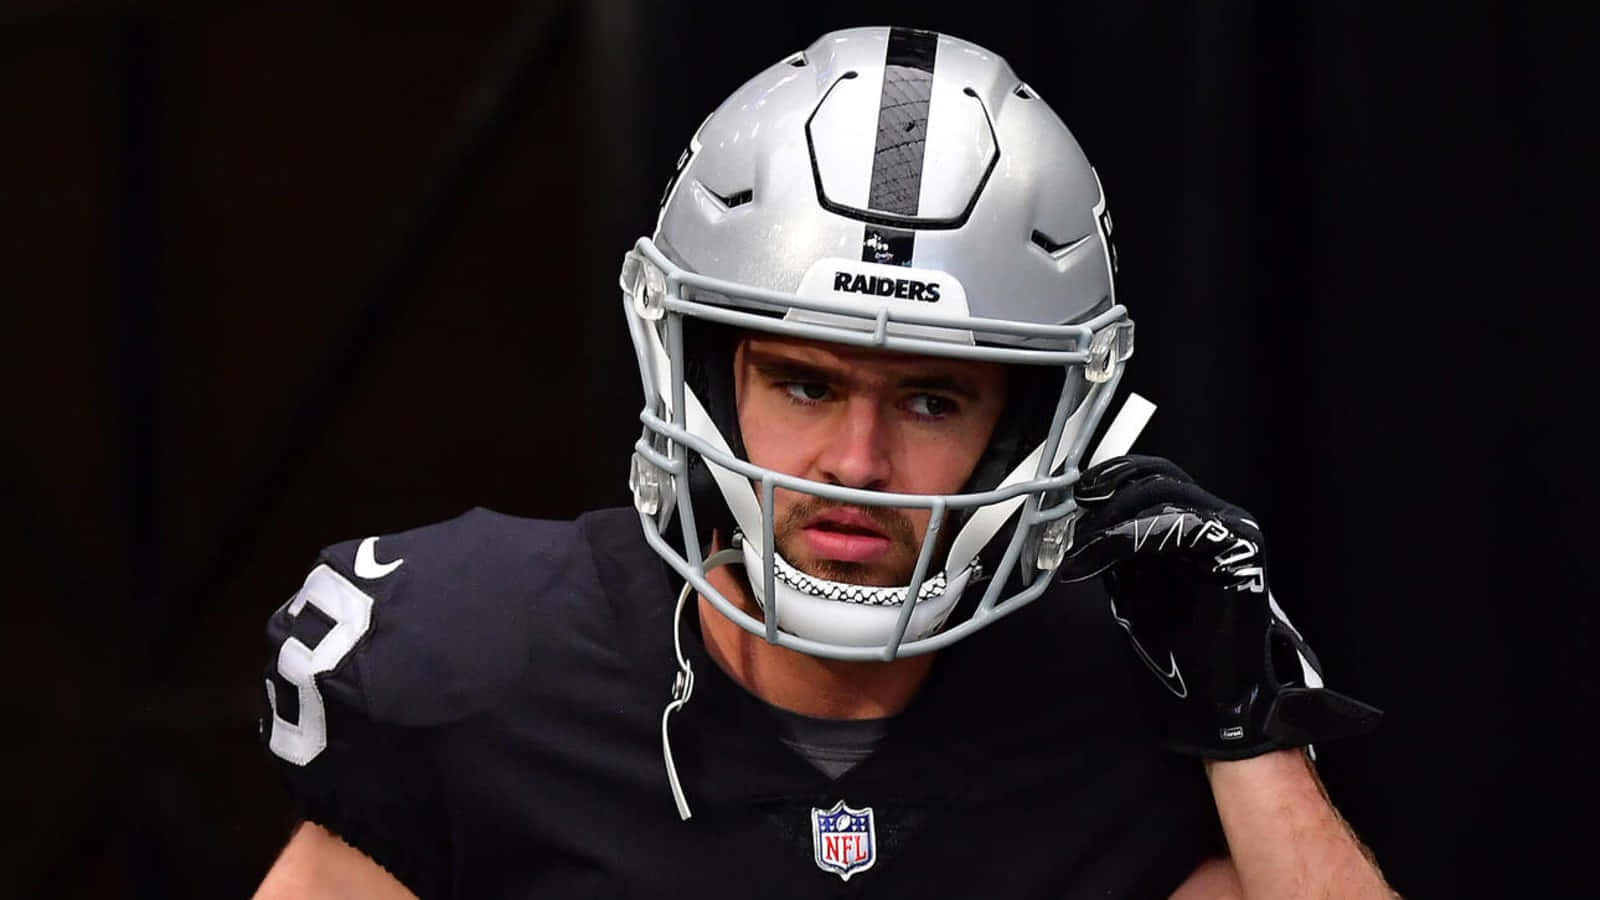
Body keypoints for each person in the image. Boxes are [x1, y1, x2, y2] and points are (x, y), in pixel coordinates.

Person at [254, 27, 1392, 899]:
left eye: (932, 400)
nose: (856, 462)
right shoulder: (481, 662)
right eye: (805, 382)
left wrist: (1248, 731)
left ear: (1029, 426)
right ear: (704, 378)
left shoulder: (1118, 700)